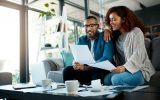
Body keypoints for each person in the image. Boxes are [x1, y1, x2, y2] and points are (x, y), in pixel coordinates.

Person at [103, 6, 155, 86]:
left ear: (123, 19)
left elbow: (138, 54)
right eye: (110, 20)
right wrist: (106, 30)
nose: (111, 22)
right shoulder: (117, 37)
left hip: (140, 70)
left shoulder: (136, 32)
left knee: (115, 79)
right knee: (106, 79)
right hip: (125, 71)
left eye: (114, 19)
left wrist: (124, 67)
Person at [63, 16, 114, 85]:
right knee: (67, 70)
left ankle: (90, 92)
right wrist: (76, 64)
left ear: (97, 26)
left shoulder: (105, 36)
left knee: (96, 72)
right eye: (86, 26)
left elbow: (107, 58)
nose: (89, 28)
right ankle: (69, 93)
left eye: (92, 25)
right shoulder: (81, 39)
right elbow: (77, 57)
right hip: (86, 70)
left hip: (101, 69)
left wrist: (86, 68)